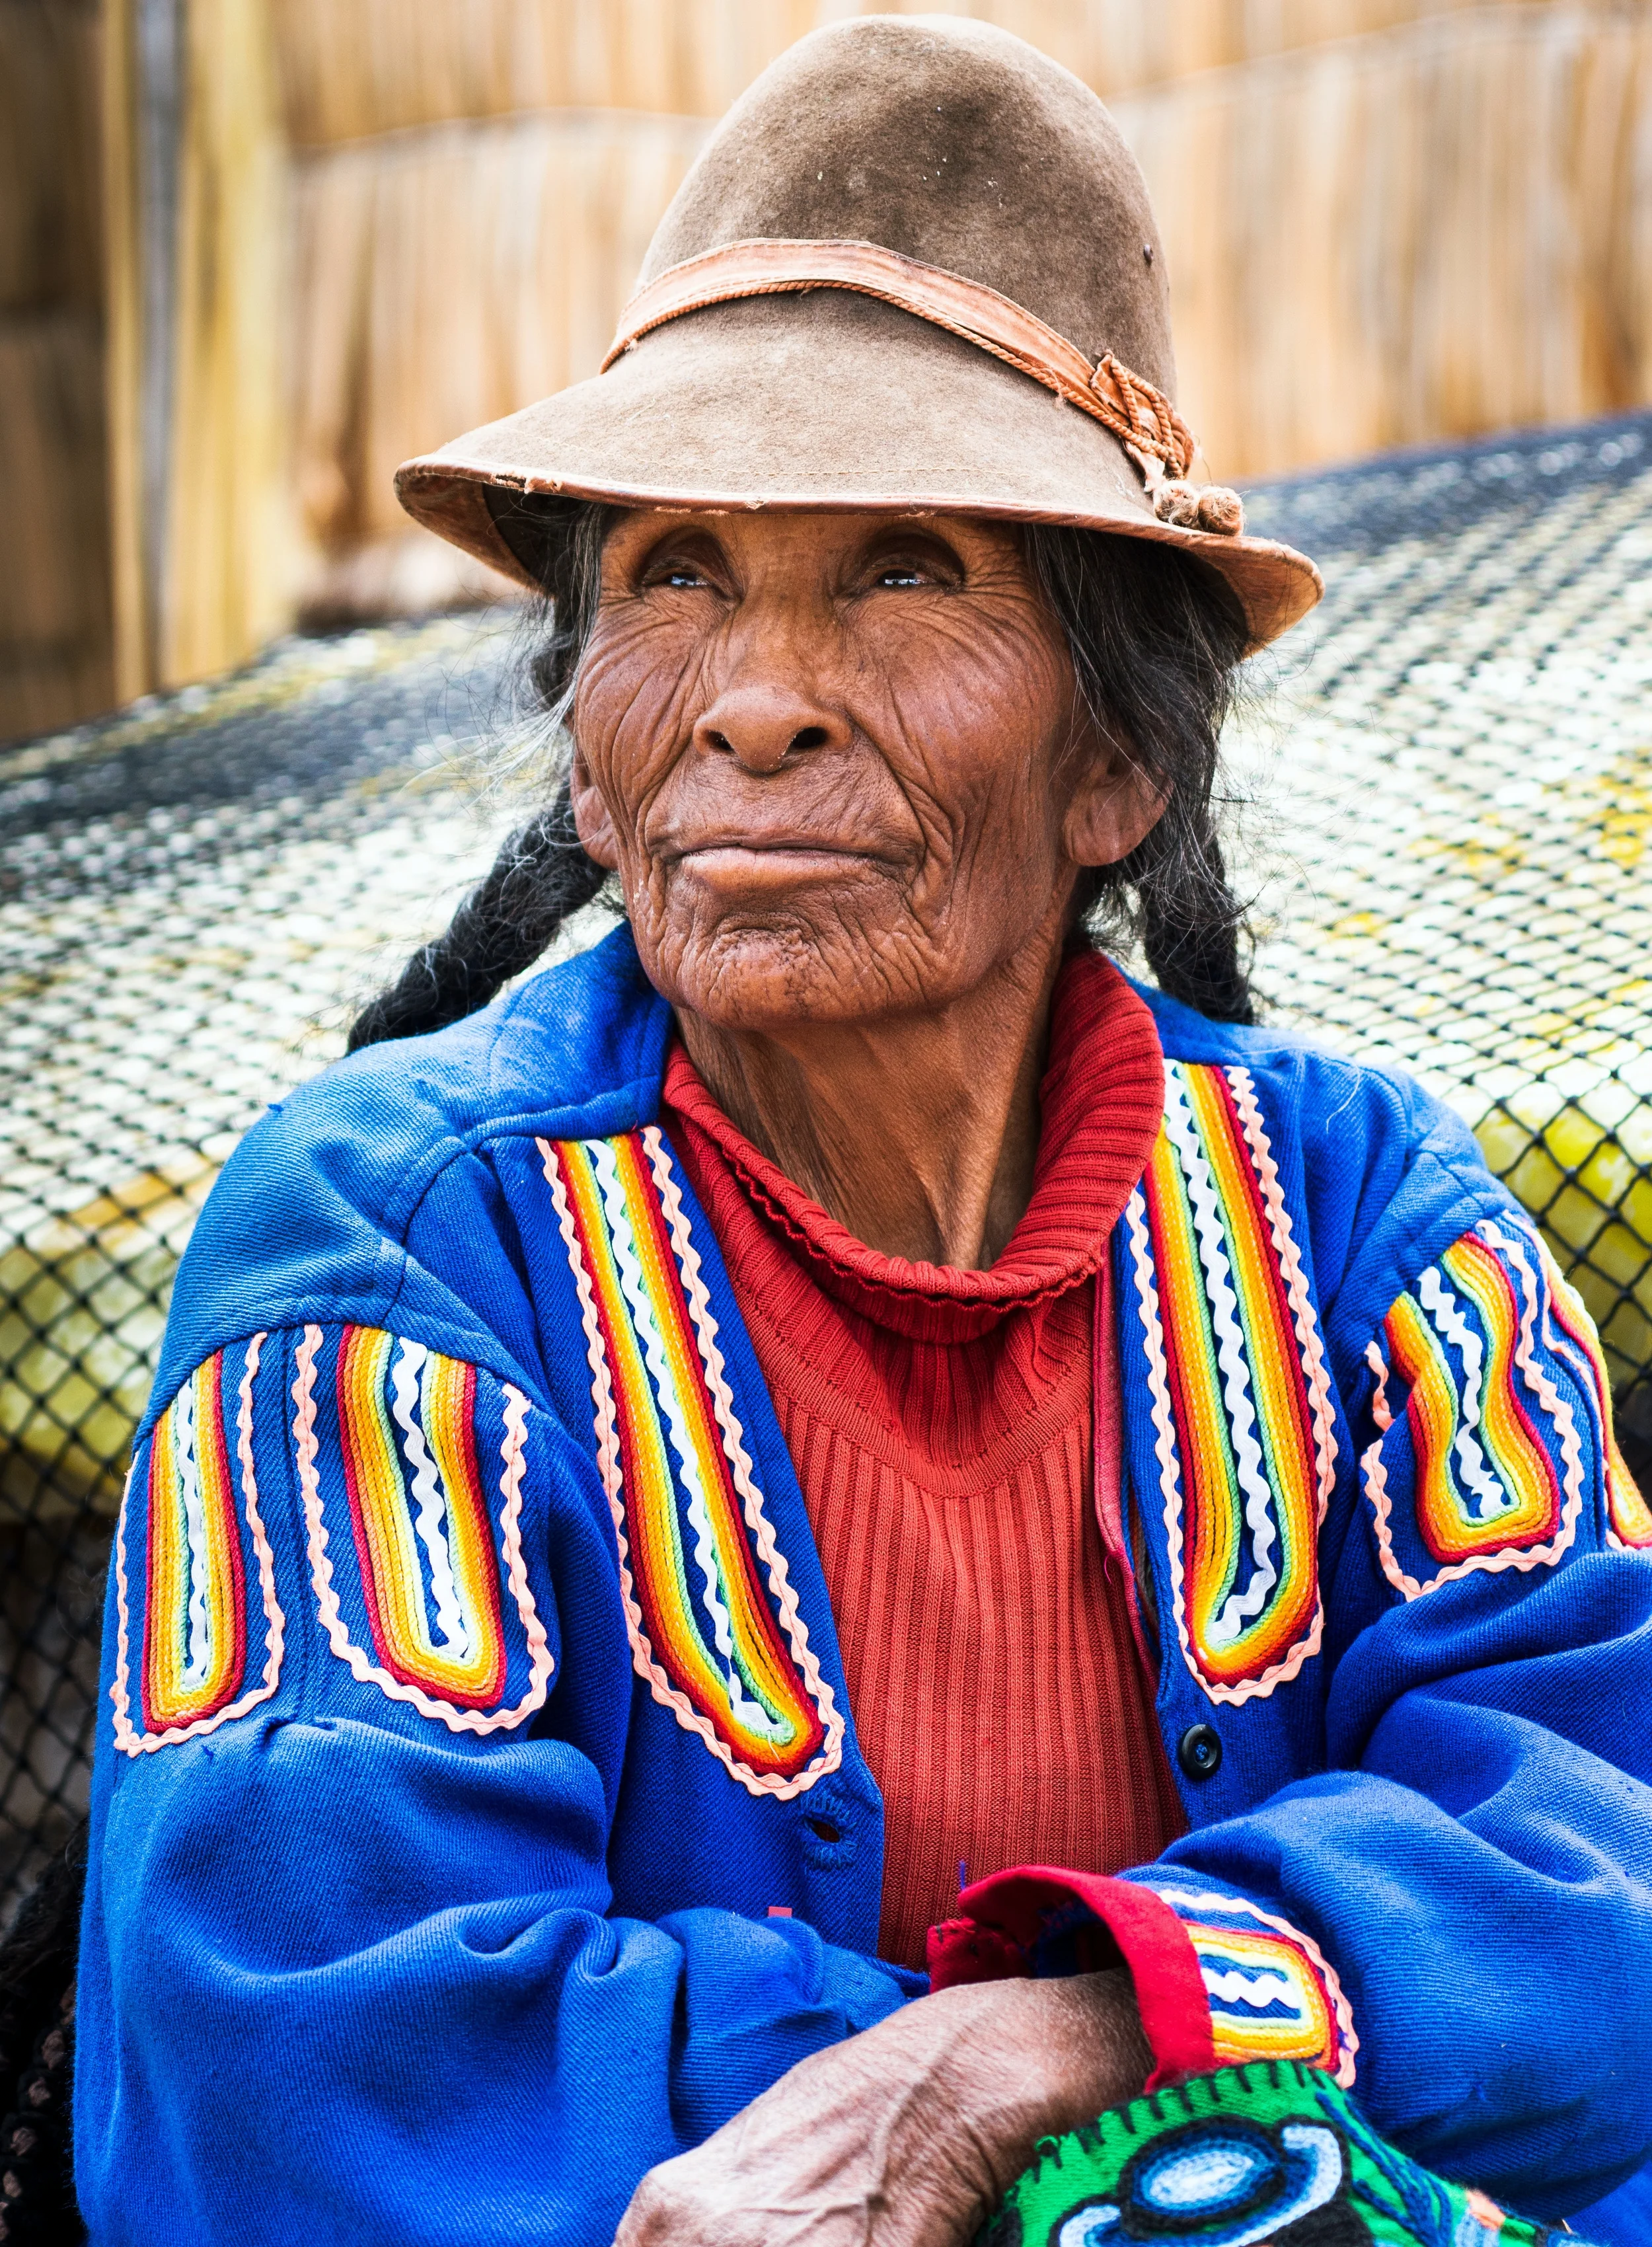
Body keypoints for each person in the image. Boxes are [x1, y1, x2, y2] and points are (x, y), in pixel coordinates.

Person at [74, 18, 1652, 2246]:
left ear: (1120, 766)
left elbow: (1611, 1860)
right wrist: (1172, 2092)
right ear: (588, 766)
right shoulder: (396, 1246)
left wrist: (1066, 2038)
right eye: (677, 573)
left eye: (904, 567)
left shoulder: (1368, 1222)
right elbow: (302, 2060)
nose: (751, 692)